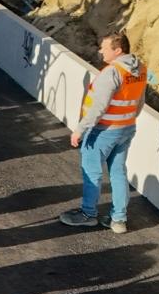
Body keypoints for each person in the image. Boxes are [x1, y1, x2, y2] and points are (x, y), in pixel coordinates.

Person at [61, 31, 146, 234]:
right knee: (118, 173)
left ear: (118, 50)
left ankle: (88, 214)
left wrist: (80, 130)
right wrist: (128, 121)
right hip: (127, 128)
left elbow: (98, 107)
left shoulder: (112, 72)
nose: (100, 51)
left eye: (104, 48)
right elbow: (140, 101)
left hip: (104, 130)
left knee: (92, 173)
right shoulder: (140, 69)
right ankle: (119, 220)